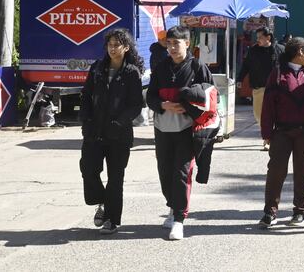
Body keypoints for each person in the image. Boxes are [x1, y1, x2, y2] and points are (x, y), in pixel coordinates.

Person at [147, 25, 213, 240]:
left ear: (187, 44)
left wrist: (189, 105)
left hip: (187, 129)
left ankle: (179, 219)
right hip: (162, 128)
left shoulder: (197, 67)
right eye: (169, 43)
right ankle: (172, 206)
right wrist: (163, 105)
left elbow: (211, 97)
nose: (173, 47)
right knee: (165, 172)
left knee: (181, 172)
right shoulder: (160, 68)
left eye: (177, 43)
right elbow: (150, 97)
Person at [79, 28, 144, 235]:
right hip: (94, 132)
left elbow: (136, 105)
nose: (112, 48)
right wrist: (85, 121)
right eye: (110, 44)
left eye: (117, 45)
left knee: (116, 178)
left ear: (126, 48)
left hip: (119, 135)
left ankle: (112, 220)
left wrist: (120, 122)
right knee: (88, 169)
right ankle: (101, 201)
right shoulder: (97, 68)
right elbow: (86, 96)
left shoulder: (131, 72)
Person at [258, 37, 304, 228]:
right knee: (275, 172)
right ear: (300, 52)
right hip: (281, 132)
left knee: (303, 172)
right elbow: (267, 106)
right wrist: (266, 133)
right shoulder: (277, 74)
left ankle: (300, 212)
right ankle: (270, 212)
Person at [237, 27, 284, 151]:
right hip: (258, 88)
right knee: (258, 115)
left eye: (260, 37)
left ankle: (268, 139)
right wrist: (239, 79)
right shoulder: (253, 51)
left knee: (274, 115)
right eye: (256, 37)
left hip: (276, 89)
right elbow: (246, 66)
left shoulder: (280, 50)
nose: (257, 40)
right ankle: (267, 134)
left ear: (268, 37)